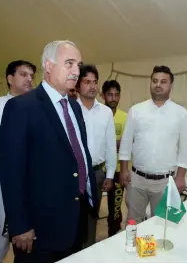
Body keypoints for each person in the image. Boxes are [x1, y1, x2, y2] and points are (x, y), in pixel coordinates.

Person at [0, 40, 99, 263]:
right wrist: (20, 225)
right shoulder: (21, 107)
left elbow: (78, 154)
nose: (76, 71)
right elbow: (10, 172)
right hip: (39, 226)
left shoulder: (73, 106)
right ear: (49, 65)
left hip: (75, 216)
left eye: (78, 65)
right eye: (69, 63)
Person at [0, 60, 36, 262]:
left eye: (31, 75)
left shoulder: (38, 109)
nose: (29, 79)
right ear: (10, 78)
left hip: (31, 192)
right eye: (23, 74)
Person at [119, 65, 187, 224]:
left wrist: (181, 177)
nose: (158, 84)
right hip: (137, 180)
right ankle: (131, 249)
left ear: (170, 86)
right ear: (150, 83)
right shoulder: (136, 110)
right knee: (133, 223)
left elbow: (186, 147)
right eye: (155, 81)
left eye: (163, 81)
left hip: (166, 182)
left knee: (164, 226)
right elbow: (126, 142)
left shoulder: (181, 113)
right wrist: (124, 169)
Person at [75, 64, 116, 247]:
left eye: (95, 82)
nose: (92, 86)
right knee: (72, 218)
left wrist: (109, 175)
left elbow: (110, 146)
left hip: (97, 174)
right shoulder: (68, 109)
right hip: (73, 174)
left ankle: (87, 252)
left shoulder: (106, 112)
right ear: (77, 84)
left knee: (92, 219)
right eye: (87, 82)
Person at [101, 79, 128, 236]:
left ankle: (113, 234)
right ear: (103, 95)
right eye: (110, 95)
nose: (113, 98)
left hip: (117, 169)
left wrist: (107, 143)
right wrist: (114, 143)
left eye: (117, 95)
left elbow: (126, 144)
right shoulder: (98, 114)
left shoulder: (125, 117)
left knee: (115, 208)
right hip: (98, 169)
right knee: (92, 207)